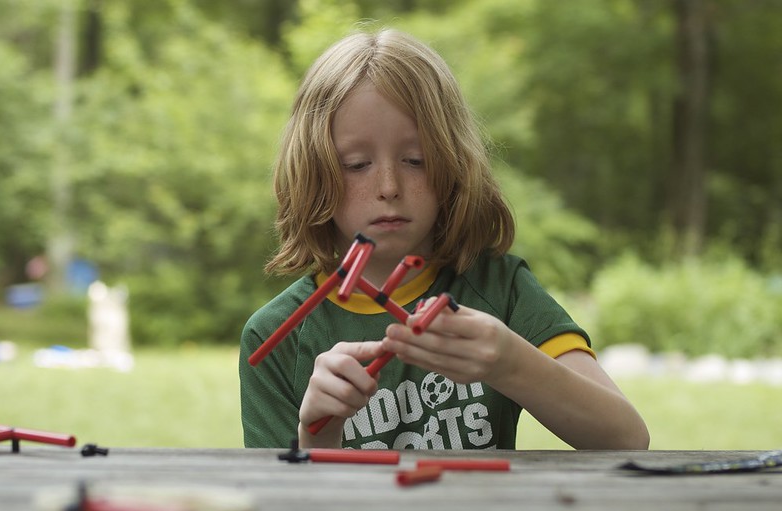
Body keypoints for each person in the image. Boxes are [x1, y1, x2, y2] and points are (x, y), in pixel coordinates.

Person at [239, 28, 649, 451]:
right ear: (313, 172)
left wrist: (509, 363)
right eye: (357, 164)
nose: (389, 186)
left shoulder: (498, 289)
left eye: (415, 160)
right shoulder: (275, 336)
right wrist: (319, 434)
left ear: (452, 162)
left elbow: (626, 437)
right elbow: (283, 491)